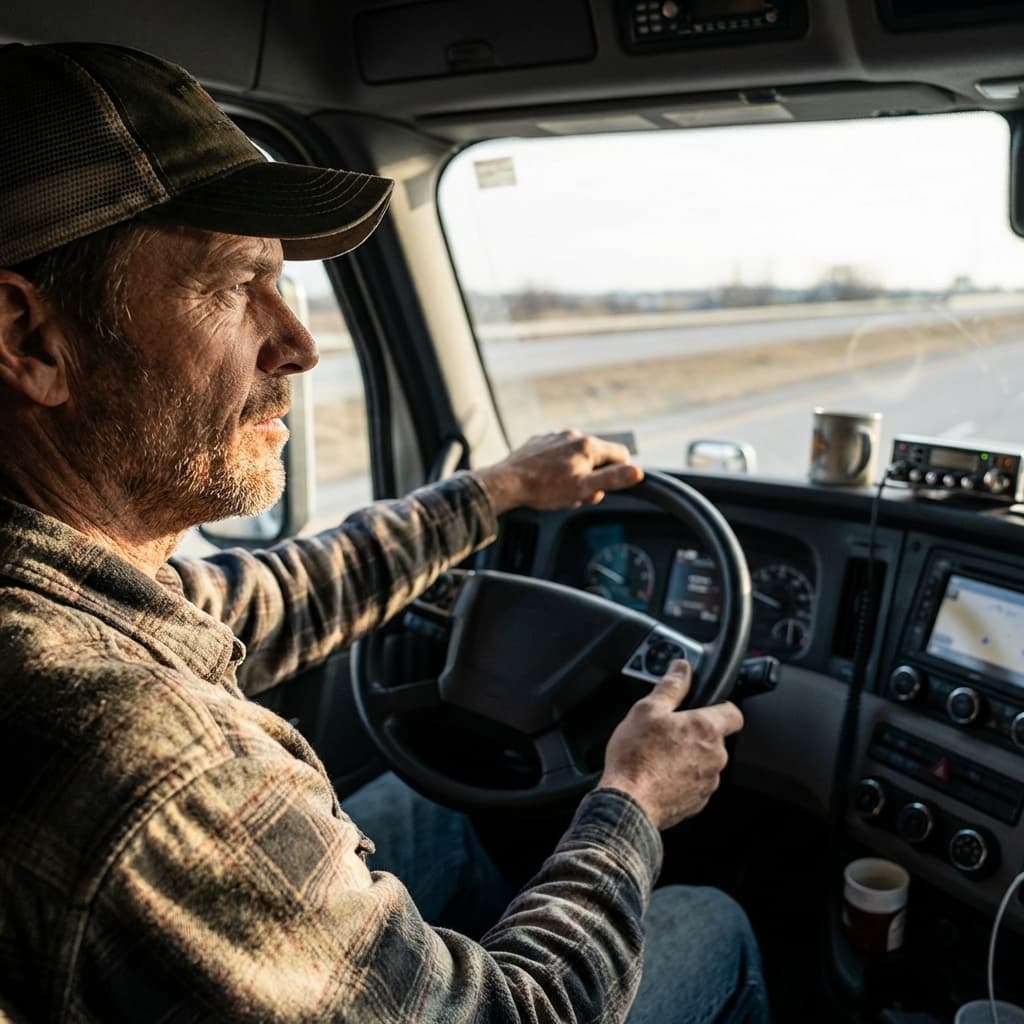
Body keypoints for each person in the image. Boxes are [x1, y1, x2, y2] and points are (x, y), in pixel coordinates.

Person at [0, 41, 770, 1023]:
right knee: (711, 920)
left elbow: (264, 599)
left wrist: (494, 490)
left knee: (446, 816)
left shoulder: (55, 589)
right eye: (238, 284)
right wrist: (629, 801)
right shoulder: (144, 753)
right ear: (29, 340)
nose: (300, 344)